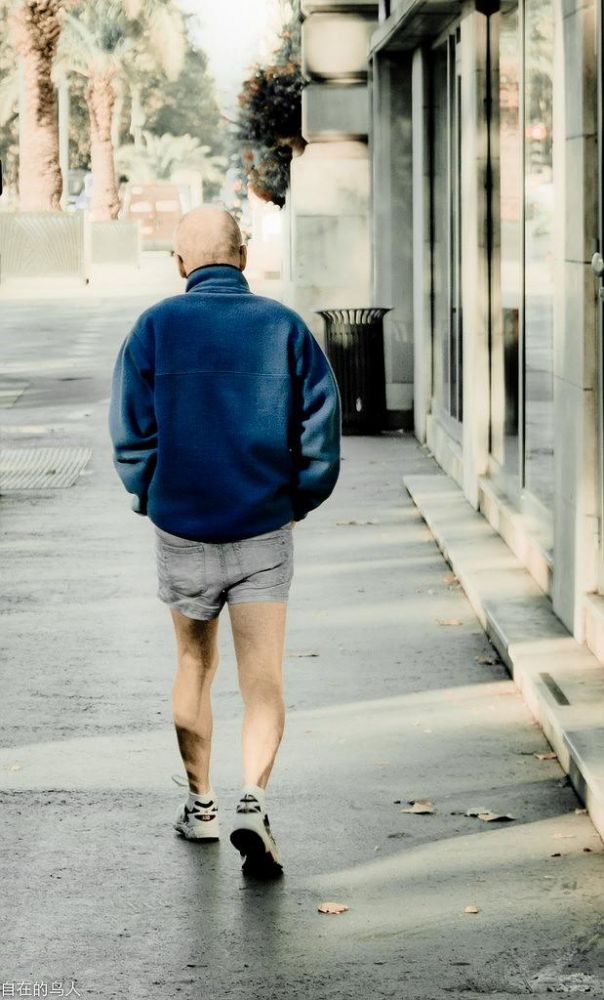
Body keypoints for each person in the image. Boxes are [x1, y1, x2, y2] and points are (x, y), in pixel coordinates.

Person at [108, 206, 341, 876]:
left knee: (193, 666)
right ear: (243, 256)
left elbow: (130, 429)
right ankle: (254, 800)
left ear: (181, 261)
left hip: (182, 527)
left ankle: (202, 805)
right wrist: (297, 499)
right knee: (262, 676)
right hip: (263, 526)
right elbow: (322, 428)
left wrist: (152, 494)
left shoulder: (155, 327)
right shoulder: (283, 326)